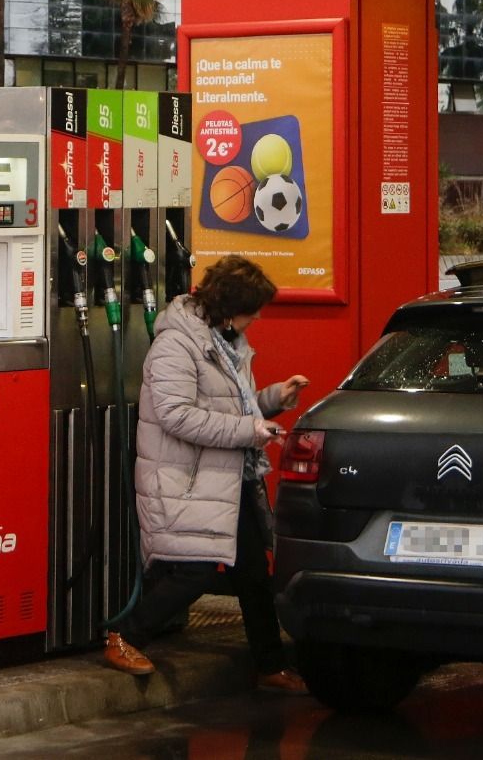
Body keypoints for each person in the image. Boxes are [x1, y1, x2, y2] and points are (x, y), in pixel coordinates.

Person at [105, 255, 311, 694]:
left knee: (255, 571)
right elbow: (177, 416)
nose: (256, 318)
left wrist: (273, 399)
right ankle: (125, 636)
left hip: (227, 478)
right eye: (251, 310)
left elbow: (231, 405)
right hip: (187, 479)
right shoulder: (176, 345)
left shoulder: (225, 342)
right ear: (228, 306)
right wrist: (250, 429)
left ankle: (270, 665)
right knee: (193, 570)